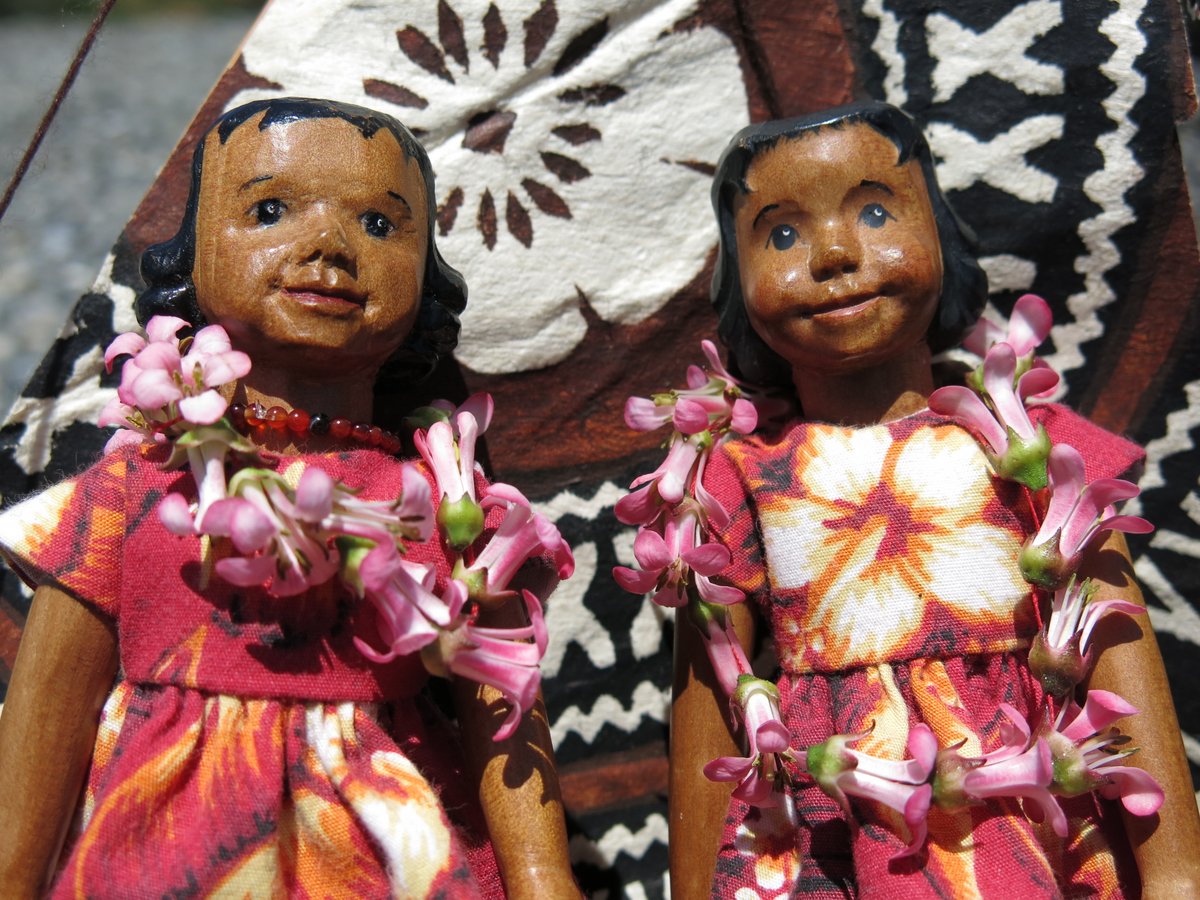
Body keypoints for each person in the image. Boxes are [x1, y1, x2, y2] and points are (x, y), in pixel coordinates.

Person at [0, 97, 577, 898]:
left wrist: (543, 875)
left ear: (427, 280)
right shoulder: (133, 488)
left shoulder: (437, 495)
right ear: (192, 258)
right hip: (165, 853)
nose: (329, 245)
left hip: (382, 849)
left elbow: (500, 700)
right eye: (269, 211)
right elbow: (47, 713)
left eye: (379, 224)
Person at [668, 102, 1200, 897]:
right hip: (835, 833)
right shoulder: (738, 475)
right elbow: (709, 699)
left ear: (943, 237)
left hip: (1026, 820)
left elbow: (1114, 644)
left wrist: (1175, 874)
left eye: (875, 213)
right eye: (780, 235)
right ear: (735, 284)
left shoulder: (1023, 443)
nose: (835, 254)